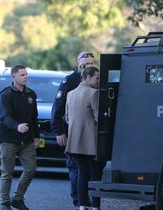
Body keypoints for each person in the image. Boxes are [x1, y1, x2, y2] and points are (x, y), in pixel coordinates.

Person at [51, 51, 95, 209]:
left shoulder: (95, 79)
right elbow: (58, 107)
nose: (88, 66)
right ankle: (78, 201)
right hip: (71, 132)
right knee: (75, 167)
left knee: (88, 168)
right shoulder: (70, 80)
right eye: (85, 63)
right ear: (78, 63)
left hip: (88, 132)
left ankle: (85, 198)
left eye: (91, 63)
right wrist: (59, 131)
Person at [0, 64, 40, 210]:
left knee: (31, 169)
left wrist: (36, 136)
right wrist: (17, 126)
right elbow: (5, 117)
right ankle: (4, 202)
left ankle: (18, 198)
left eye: (26, 74)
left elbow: (34, 117)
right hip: (8, 138)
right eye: (22, 75)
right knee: (7, 173)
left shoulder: (31, 94)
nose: (25, 77)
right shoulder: (6, 94)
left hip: (27, 139)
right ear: (13, 77)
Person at [65, 66, 105, 210]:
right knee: (95, 175)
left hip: (74, 143)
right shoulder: (94, 93)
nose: (99, 81)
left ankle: (82, 205)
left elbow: (67, 118)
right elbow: (98, 117)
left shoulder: (70, 94)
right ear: (88, 77)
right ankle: (95, 206)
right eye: (97, 78)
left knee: (82, 173)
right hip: (90, 143)